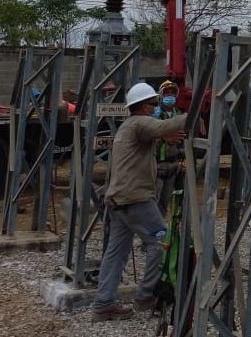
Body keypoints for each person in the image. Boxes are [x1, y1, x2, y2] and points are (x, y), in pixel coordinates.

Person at [92, 82, 187, 322]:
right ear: (143, 107)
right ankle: (146, 295)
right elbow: (166, 124)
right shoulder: (140, 122)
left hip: (117, 199)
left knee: (116, 253)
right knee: (161, 241)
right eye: (154, 104)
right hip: (136, 198)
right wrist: (196, 112)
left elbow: (150, 139)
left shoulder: (128, 127)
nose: (157, 107)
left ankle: (103, 304)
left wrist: (162, 139)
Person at [154, 79, 183, 216]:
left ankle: (159, 229)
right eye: (167, 93)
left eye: (172, 93)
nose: (170, 96)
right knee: (154, 198)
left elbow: (183, 140)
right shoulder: (155, 115)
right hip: (157, 164)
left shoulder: (179, 115)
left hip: (173, 164)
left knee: (166, 199)